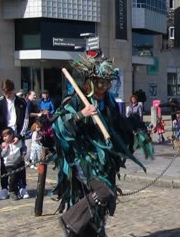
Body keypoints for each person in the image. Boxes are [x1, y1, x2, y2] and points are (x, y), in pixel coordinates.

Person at [53, 54, 154, 236]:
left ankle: (94, 231)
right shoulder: (75, 101)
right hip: (83, 158)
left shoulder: (109, 103)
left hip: (104, 161)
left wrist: (137, 129)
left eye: (108, 83)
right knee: (103, 191)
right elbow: (59, 126)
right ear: (90, 81)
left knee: (100, 202)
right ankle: (70, 220)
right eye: (100, 83)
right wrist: (80, 115)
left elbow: (118, 126)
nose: (104, 87)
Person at [0, 79, 30, 200]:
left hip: (17, 134)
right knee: (4, 163)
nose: (7, 95)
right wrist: (1, 140)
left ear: (13, 90)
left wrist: (19, 136)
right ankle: (4, 188)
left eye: (9, 93)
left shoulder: (22, 102)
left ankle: (22, 186)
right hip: (5, 135)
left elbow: (25, 120)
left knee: (19, 162)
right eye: (5, 93)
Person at [0, 128, 23, 200]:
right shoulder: (4, 145)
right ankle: (11, 191)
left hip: (17, 162)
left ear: (11, 135)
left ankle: (16, 191)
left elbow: (22, 148)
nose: (4, 138)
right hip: (9, 164)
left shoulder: (17, 142)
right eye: (3, 137)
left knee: (17, 177)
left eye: (6, 136)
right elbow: (2, 155)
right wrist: (5, 149)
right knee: (12, 177)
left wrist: (23, 155)